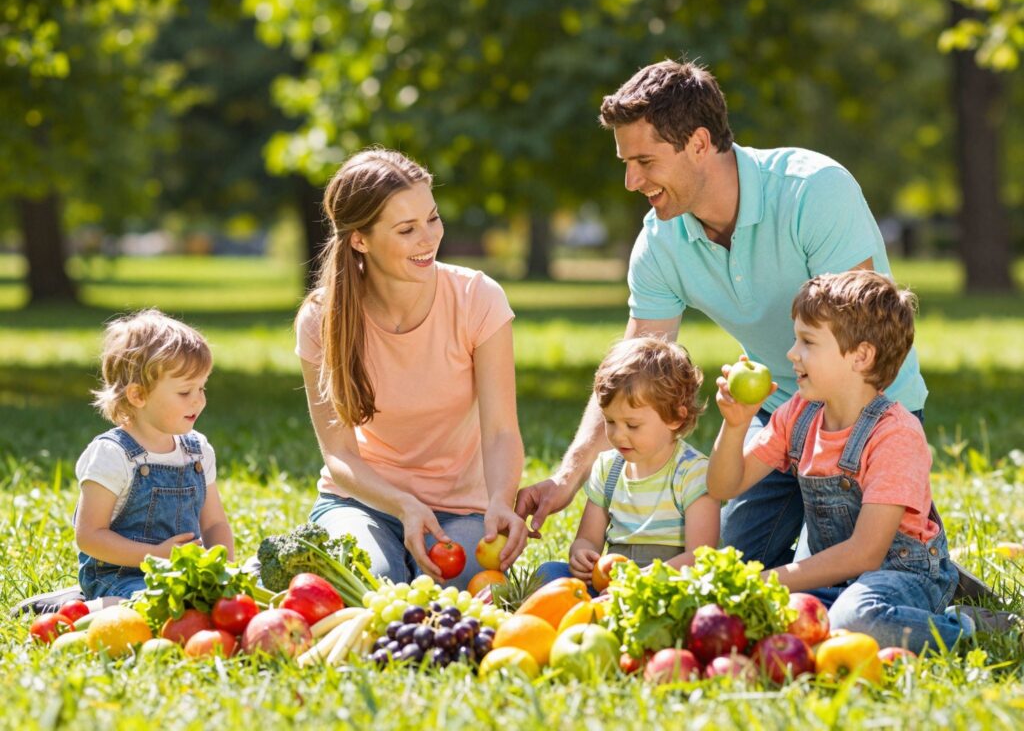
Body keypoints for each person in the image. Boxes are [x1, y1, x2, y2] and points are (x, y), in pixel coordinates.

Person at [515, 59, 927, 572]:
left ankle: (919, 563)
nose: (630, 180)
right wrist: (566, 478)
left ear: (700, 143)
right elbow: (631, 378)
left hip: (866, 412)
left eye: (644, 160)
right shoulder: (660, 243)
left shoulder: (814, 191)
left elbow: (863, 340)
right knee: (722, 566)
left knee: (863, 565)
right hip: (776, 417)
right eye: (625, 162)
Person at [296, 147, 526, 590]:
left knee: (444, 592)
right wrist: (403, 504)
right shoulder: (322, 319)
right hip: (363, 502)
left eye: (433, 218)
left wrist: (501, 498)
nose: (429, 239)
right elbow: (340, 456)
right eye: (407, 229)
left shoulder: (478, 298)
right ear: (360, 239)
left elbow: (500, 431)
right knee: (375, 585)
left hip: (463, 508)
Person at [706, 271, 967, 652]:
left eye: (807, 341)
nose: (792, 353)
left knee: (855, 619)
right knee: (750, 616)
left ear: (861, 356)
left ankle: (966, 627)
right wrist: (736, 424)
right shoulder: (799, 414)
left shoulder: (896, 434)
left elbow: (866, 552)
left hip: (903, 575)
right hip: (839, 580)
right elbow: (723, 486)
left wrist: (771, 580)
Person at [74, 309, 233, 602]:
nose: (199, 399)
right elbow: (89, 535)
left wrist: (223, 568)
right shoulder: (112, 455)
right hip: (119, 576)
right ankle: (86, 608)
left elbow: (214, 524)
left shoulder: (196, 450)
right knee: (161, 604)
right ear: (138, 396)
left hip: (181, 572)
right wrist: (156, 556)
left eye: (202, 387)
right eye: (185, 392)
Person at [535, 337, 720, 590]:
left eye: (632, 425)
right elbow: (587, 539)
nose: (618, 435)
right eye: (610, 422)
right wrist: (582, 555)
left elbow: (701, 557)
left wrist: (643, 580)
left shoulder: (692, 473)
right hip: (610, 584)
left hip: (667, 586)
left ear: (675, 417)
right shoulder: (608, 467)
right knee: (549, 573)